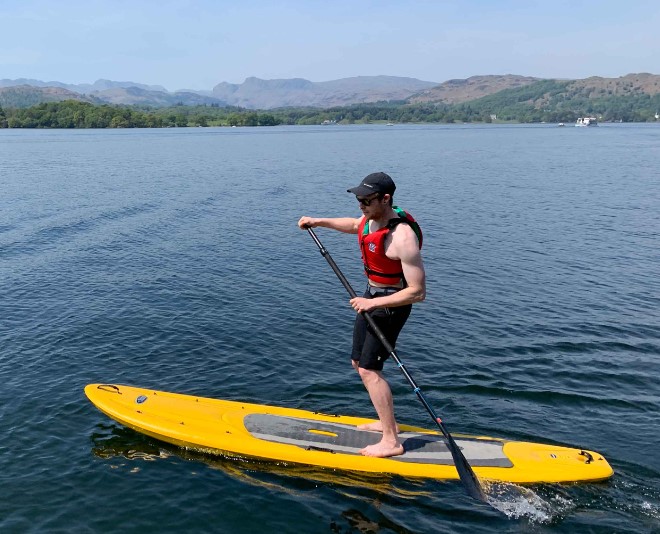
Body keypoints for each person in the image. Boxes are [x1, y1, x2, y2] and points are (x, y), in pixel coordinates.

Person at [298, 172, 426, 458]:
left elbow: (417, 292)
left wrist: (373, 305)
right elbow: (355, 225)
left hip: (391, 305)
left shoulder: (403, 237)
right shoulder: (371, 218)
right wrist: (318, 221)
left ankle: (391, 440)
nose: (361, 205)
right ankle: (385, 422)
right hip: (370, 297)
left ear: (386, 199)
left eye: (366, 200)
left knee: (370, 369)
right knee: (358, 362)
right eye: (358, 199)